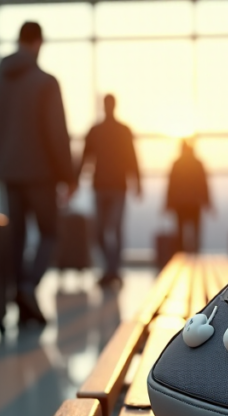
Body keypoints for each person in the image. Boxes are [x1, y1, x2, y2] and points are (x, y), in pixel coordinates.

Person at [0, 21, 75, 324]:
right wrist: (68, 175)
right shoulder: (46, 83)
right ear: (38, 43)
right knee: (50, 233)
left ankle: (21, 297)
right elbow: (57, 134)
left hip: (8, 175)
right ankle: (28, 287)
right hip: (41, 175)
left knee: (16, 238)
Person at [78, 94, 141, 286]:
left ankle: (112, 270)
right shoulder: (102, 131)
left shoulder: (108, 130)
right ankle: (112, 269)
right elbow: (85, 157)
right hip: (106, 186)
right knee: (103, 231)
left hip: (114, 186)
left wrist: (137, 182)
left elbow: (131, 157)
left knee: (111, 229)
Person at [165, 140, 210, 254]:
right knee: (196, 231)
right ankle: (195, 253)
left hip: (180, 203)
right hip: (195, 203)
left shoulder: (177, 163)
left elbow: (171, 185)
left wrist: (168, 204)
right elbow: (203, 184)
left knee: (180, 232)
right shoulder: (197, 163)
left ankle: (181, 254)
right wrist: (207, 201)